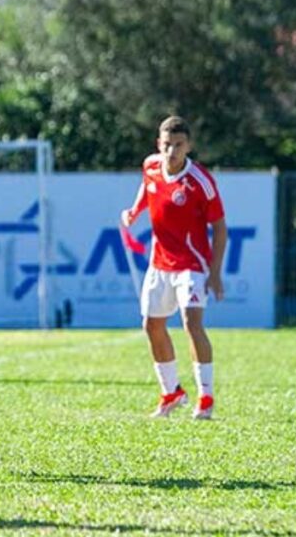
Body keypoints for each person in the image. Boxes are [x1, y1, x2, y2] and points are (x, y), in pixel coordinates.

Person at [121, 116, 227, 420]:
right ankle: (172, 392)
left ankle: (205, 397)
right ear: (159, 144)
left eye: (178, 145)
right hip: (159, 262)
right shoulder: (151, 166)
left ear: (188, 146)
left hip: (191, 265)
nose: (172, 151)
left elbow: (219, 228)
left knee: (191, 323)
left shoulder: (201, 182)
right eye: (167, 144)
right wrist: (134, 211)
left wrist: (216, 272)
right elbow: (147, 188)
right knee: (151, 325)